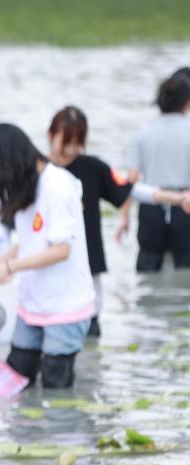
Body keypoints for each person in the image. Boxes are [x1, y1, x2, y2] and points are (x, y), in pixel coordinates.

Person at [0, 124, 96, 389]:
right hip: (33, 303)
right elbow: (27, 243)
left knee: (55, 385)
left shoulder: (58, 185)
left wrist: (10, 268)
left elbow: (61, 250)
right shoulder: (25, 187)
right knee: (17, 377)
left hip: (65, 305)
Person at [46, 106, 190, 336]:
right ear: (50, 135)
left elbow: (132, 189)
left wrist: (178, 198)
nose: (71, 150)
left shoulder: (92, 167)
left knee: (89, 335)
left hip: (87, 270)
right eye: (66, 142)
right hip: (48, 270)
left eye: (78, 143)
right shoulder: (37, 171)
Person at [119, 75, 190, 272]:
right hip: (186, 206)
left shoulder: (144, 133)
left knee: (148, 264)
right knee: (186, 268)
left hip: (151, 206)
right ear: (186, 102)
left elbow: (130, 181)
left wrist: (124, 217)